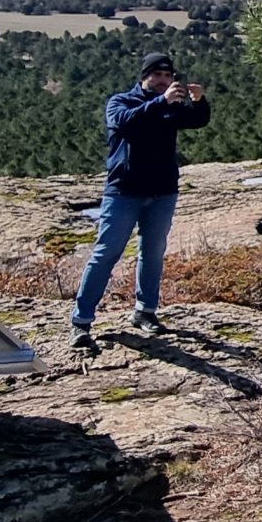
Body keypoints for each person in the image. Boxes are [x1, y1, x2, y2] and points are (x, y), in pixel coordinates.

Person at [71, 51, 211, 350]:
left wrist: (199, 101)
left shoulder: (171, 107)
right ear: (144, 77)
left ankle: (145, 311)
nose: (163, 81)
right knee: (106, 253)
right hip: (124, 192)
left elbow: (198, 121)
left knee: (153, 252)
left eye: (168, 76)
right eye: (157, 76)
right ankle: (81, 321)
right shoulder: (121, 102)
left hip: (162, 191)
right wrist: (161, 102)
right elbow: (126, 123)